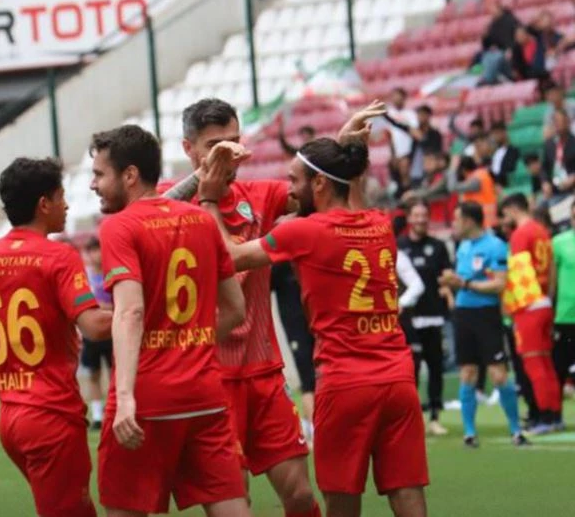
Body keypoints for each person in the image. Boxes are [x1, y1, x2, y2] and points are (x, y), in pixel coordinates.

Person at [198, 112, 429, 517]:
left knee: (340, 496)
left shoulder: (304, 232)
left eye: (295, 180)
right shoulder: (380, 224)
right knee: (407, 491)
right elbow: (351, 191)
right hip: (398, 377)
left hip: (345, 382)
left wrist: (209, 200)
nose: (289, 190)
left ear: (319, 183)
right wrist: (346, 147)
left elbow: (230, 258)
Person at [159, 98, 321, 517]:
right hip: (209, 377)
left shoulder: (261, 195)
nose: (230, 154)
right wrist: (204, 186)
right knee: (236, 500)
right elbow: (131, 213)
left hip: (264, 372)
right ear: (188, 149)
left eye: (235, 141)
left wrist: (345, 146)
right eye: (216, 146)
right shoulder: (167, 205)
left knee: (301, 495)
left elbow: (320, 188)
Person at [89, 125, 252, 517]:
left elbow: (130, 312)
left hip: (147, 398)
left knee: (126, 509)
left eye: (99, 174)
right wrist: (193, 345)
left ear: (129, 175)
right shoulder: (201, 221)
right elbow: (236, 309)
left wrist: (125, 397)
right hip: (204, 395)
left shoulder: (118, 227)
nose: (93, 185)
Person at [0, 157, 112, 517]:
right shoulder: (58, 256)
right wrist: (144, 313)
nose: (67, 205)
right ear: (44, 204)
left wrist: (27, 336)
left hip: (11, 417)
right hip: (50, 417)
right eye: (61, 196)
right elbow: (94, 326)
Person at [438, 202, 529, 447]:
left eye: (457, 219)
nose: (454, 224)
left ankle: (516, 430)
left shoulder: (495, 245)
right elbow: (461, 280)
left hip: (486, 314)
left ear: (469, 221)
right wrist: (451, 286)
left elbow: (499, 284)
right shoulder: (463, 247)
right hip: (463, 314)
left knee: (498, 374)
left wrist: (463, 284)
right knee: (467, 373)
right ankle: (469, 432)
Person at [499, 193, 561, 433]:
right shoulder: (542, 231)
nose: (505, 219)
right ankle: (554, 414)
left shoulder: (521, 234)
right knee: (546, 362)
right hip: (544, 301)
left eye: (505, 214)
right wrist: (549, 298)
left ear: (513, 209)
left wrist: (512, 308)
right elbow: (552, 269)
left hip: (529, 305)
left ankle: (545, 417)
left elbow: (518, 276)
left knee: (534, 363)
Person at [397, 200, 452, 436]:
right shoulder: (399, 246)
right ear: (409, 218)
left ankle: (435, 417)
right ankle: (411, 416)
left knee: (435, 366)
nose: (420, 219)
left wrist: (447, 285)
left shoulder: (438, 246)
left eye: (424, 215)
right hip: (407, 319)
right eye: (416, 215)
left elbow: (447, 275)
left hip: (433, 316)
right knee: (410, 370)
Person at [270, 258, 316, 445]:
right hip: (295, 322)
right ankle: (314, 430)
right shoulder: (282, 263)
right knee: (308, 377)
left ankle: (311, 426)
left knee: (318, 376)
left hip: (315, 318)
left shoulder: (308, 258)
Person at [81, 236, 113, 431]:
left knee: (114, 373)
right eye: (92, 251)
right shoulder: (85, 277)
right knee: (93, 374)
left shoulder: (112, 273)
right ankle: (97, 415)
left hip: (112, 330)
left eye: (98, 250)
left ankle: (114, 410)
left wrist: (104, 307)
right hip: (91, 334)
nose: (96, 255)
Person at [551, 200, 575, 411]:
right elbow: (552, 280)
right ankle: (554, 414)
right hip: (565, 314)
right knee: (558, 366)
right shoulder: (559, 242)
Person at [478, 0, 519, 85]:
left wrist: (510, 48)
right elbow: (487, 44)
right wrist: (485, 37)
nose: (492, 12)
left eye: (493, 9)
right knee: (482, 55)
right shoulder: (492, 25)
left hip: (510, 51)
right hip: (498, 51)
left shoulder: (510, 20)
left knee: (494, 57)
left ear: (499, 9)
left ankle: (487, 80)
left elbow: (516, 37)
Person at [541, 109, 575, 202]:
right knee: (538, 205)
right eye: (555, 122)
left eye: (560, 121)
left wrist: (573, 178)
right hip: (553, 189)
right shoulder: (549, 144)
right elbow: (544, 167)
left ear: (567, 122)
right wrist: (545, 182)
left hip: (571, 188)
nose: (557, 124)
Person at [488, 121, 520, 189]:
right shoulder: (495, 152)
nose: (494, 137)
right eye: (493, 134)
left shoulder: (513, 151)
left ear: (504, 133)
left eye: (496, 133)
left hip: (506, 184)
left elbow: (510, 169)